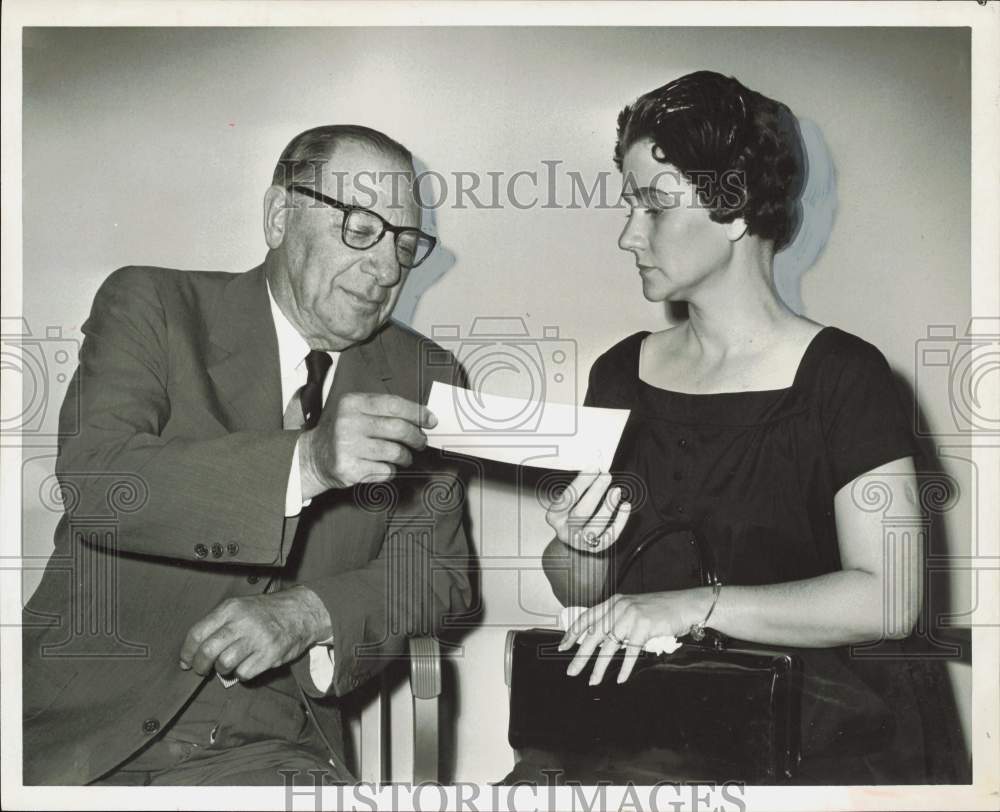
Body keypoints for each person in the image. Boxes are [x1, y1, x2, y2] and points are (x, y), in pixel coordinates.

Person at [22, 125, 473, 785]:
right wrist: (307, 463)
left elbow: (436, 573)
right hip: (78, 736)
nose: (385, 270)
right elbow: (100, 481)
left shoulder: (426, 373)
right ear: (279, 215)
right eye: (359, 226)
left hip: (269, 749)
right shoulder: (153, 305)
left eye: (405, 243)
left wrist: (310, 612)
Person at [532, 71, 949, 784]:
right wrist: (578, 548)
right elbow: (583, 592)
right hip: (651, 726)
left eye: (654, 207)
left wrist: (694, 607)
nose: (628, 234)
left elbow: (891, 598)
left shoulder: (845, 378)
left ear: (733, 210)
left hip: (817, 734)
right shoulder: (618, 375)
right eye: (630, 204)